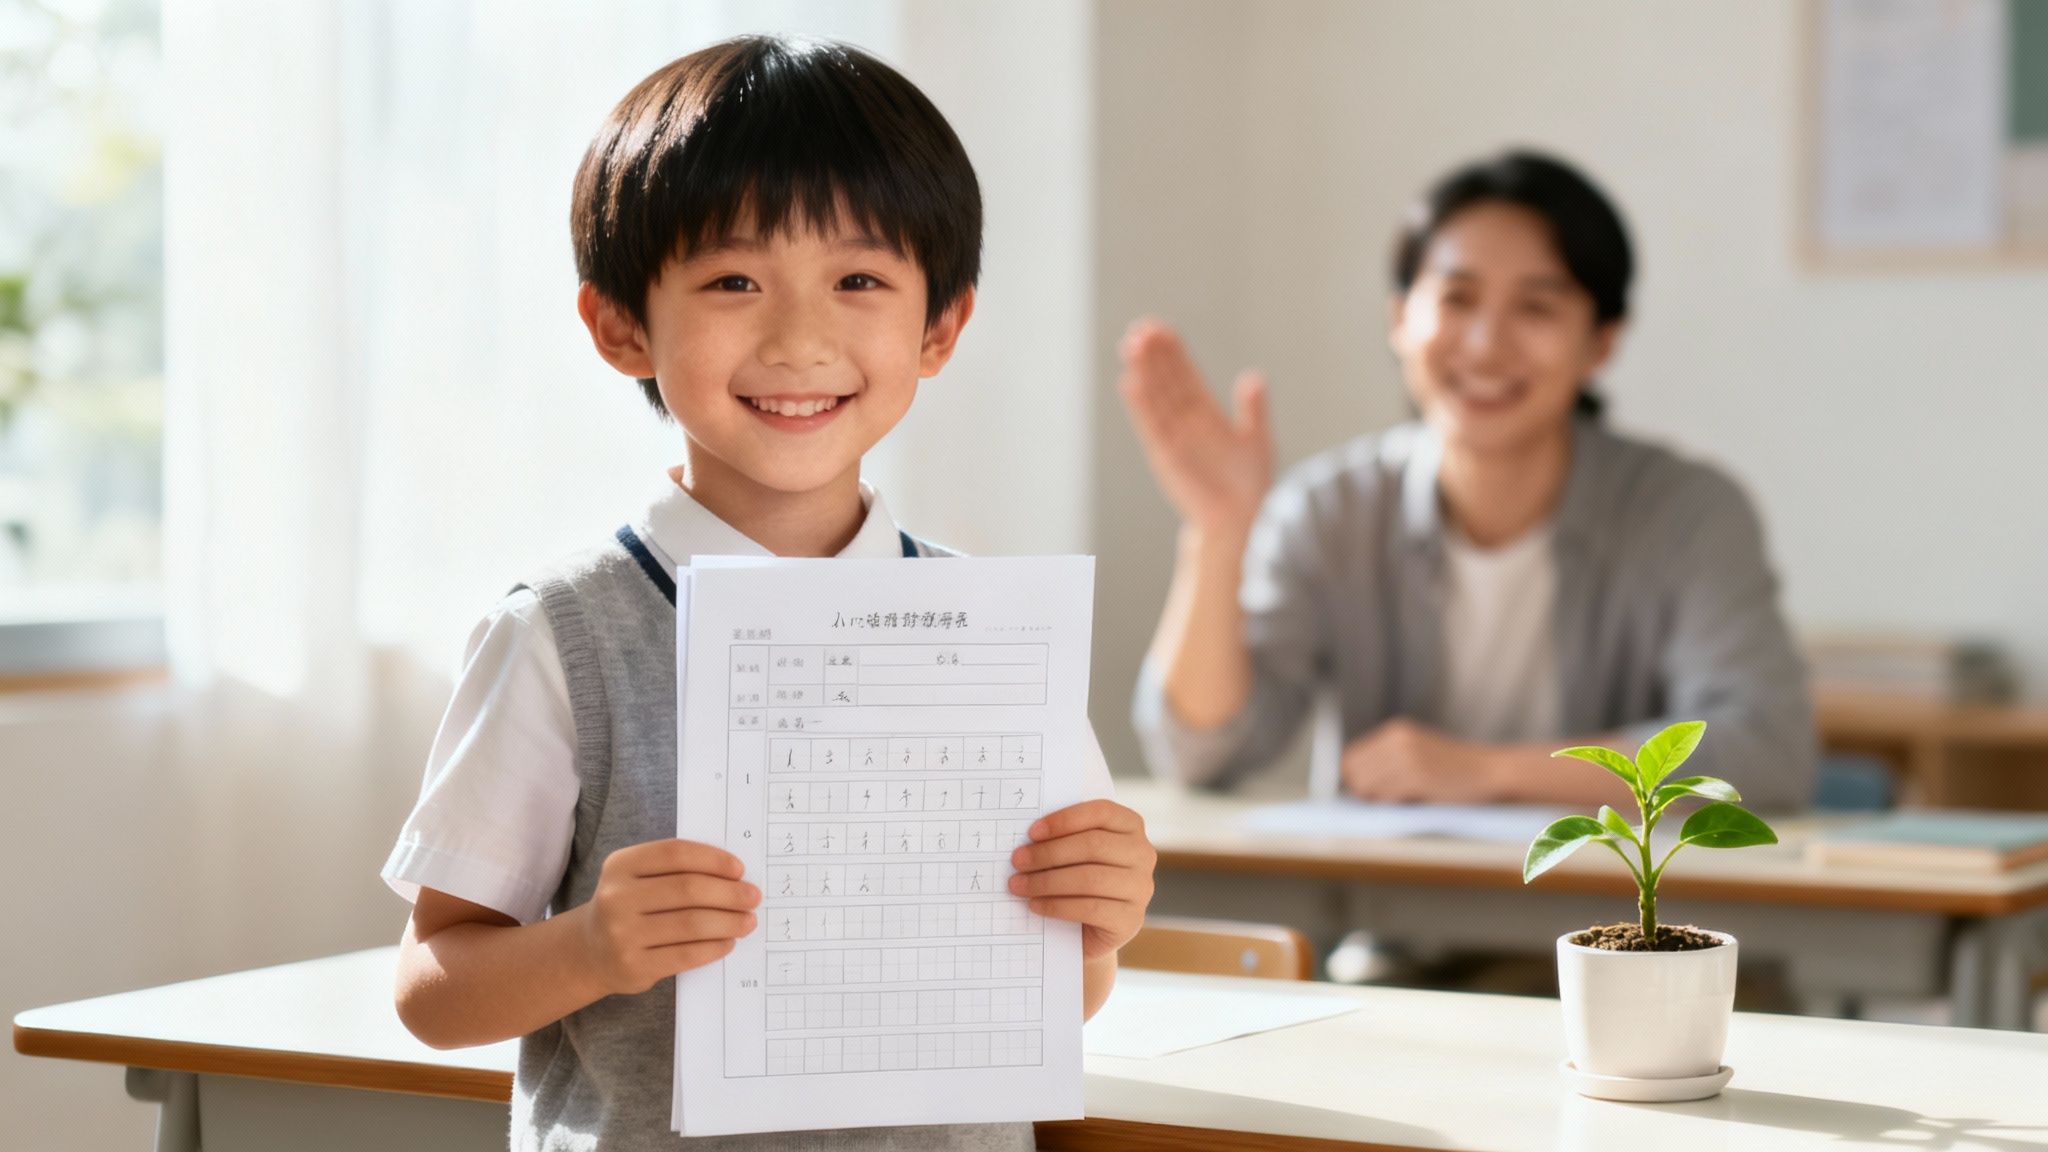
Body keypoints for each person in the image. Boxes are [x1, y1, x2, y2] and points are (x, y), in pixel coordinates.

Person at [382, 37, 1156, 1151]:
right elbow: (430, 986)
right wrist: (594, 945)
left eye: (859, 281)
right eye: (734, 281)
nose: (799, 339)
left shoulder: (987, 632)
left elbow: (1054, 1000)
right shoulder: (561, 633)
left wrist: (1097, 929)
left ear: (938, 327)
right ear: (621, 327)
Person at [1122, 150, 1815, 812]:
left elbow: (1765, 750)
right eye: (1458, 298)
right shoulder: (1329, 511)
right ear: (1399, 319)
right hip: (1386, 924)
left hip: (1618, 927)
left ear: (1601, 343)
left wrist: (1487, 772)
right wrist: (1217, 533)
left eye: (1537, 308)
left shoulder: (1689, 513)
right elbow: (1201, 754)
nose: (1486, 344)